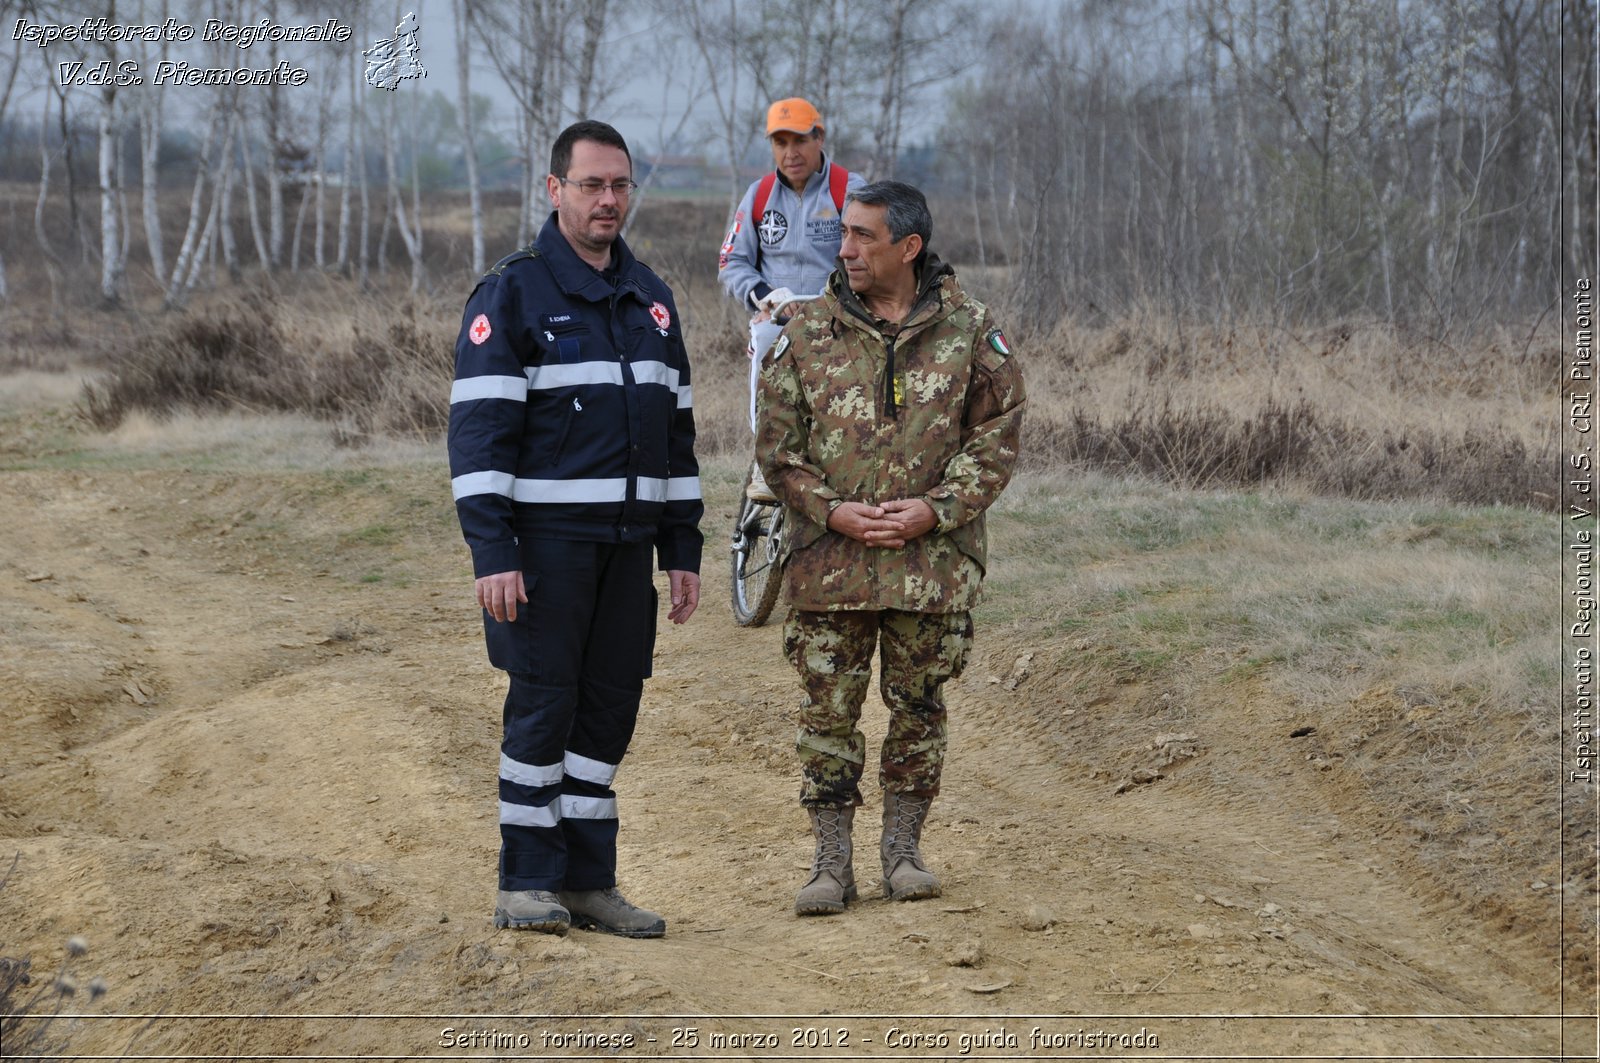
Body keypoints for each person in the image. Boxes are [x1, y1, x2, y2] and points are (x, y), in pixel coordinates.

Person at [448, 119, 703, 938]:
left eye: (620, 184)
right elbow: (480, 438)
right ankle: (525, 881)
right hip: (545, 554)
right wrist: (494, 550)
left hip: (627, 550)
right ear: (554, 190)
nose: (608, 200)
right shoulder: (512, 294)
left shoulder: (653, 301)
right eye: (591, 184)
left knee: (607, 713)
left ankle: (589, 881)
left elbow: (678, 438)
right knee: (543, 708)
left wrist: (683, 548)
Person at [755, 180, 1025, 917]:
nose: (845, 248)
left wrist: (935, 512)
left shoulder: (971, 329)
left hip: (928, 568)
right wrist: (832, 510)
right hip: (827, 565)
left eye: (863, 236)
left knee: (919, 708)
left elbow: (997, 435)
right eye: (844, 233)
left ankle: (903, 851)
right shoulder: (806, 331)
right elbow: (778, 450)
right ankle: (830, 861)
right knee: (827, 714)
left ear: (908, 247)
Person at [719, 96, 864, 501]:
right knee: (764, 340)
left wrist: (840, 296)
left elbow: (874, 257)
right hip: (778, 317)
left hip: (841, 316)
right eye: (780, 142)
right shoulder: (759, 195)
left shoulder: (849, 191)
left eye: (799, 140)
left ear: (820, 137)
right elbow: (731, 262)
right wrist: (765, 295)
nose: (790, 152)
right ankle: (768, 465)